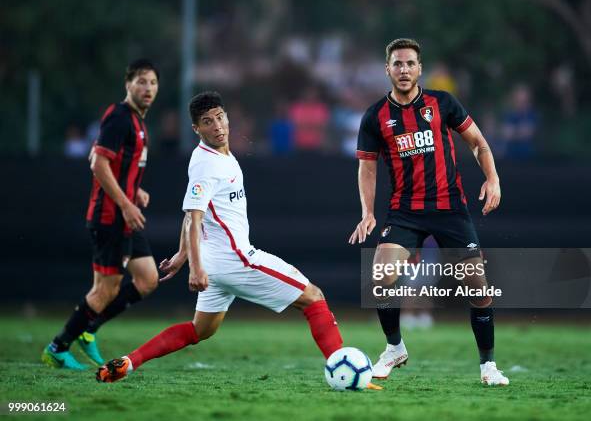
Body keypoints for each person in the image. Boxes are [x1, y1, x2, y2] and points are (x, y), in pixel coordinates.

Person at [96, 92, 381, 388]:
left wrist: (183, 255)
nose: (217, 125)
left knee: (200, 331)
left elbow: (194, 213)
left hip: (214, 263)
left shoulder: (210, 155)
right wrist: (195, 268)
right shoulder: (208, 165)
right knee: (314, 297)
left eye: (220, 117)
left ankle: (128, 362)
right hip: (237, 260)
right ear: (197, 129)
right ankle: (346, 375)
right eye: (207, 122)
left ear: (227, 117)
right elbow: (193, 217)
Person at [349, 38, 509, 386]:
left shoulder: (443, 103)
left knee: (478, 289)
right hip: (404, 211)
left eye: (409, 64)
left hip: (450, 208)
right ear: (387, 70)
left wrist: (493, 179)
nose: (403, 70)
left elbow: (479, 144)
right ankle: (394, 348)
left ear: (420, 68)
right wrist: (367, 212)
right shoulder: (375, 116)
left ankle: (488, 367)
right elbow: (367, 168)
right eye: (397, 64)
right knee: (380, 277)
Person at [42, 59, 161, 370]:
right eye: (141, 82)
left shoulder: (137, 122)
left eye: (152, 83)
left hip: (125, 214)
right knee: (105, 289)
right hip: (110, 217)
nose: (147, 88)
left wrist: (135, 192)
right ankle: (58, 346)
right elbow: (97, 162)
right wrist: (124, 203)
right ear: (128, 84)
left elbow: (120, 168)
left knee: (148, 279)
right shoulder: (120, 117)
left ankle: (89, 330)